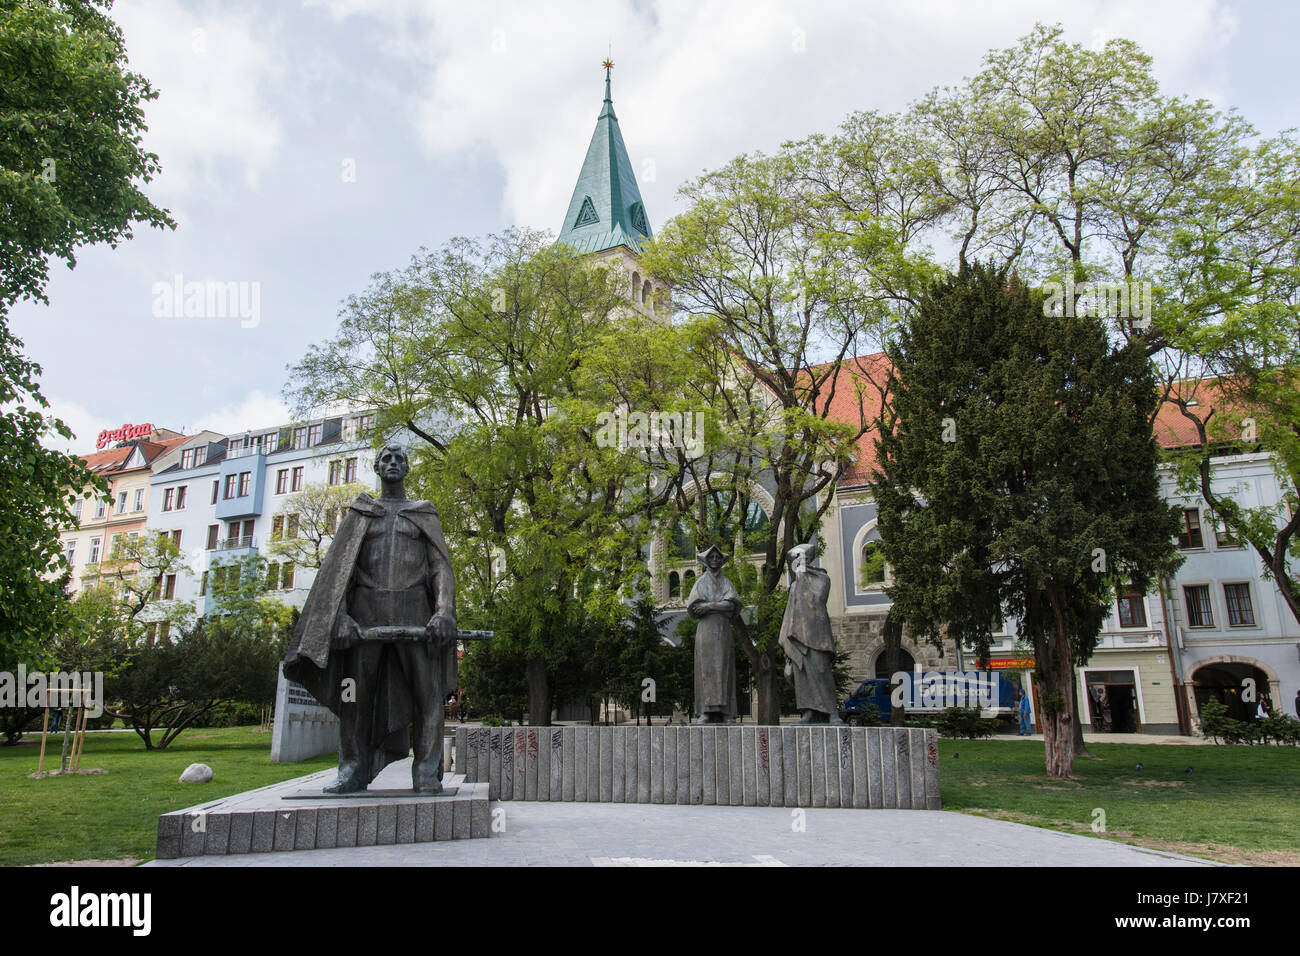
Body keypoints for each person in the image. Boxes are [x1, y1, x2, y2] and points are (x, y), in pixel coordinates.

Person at [284, 443, 457, 793]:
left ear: (407, 468)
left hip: (416, 618)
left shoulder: (422, 512)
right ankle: (352, 769)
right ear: (377, 468)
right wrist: (341, 617)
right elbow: (338, 574)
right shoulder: (361, 513)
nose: (393, 463)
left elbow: (440, 567)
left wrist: (444, 611)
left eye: (400, 459)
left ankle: (426, 773)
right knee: (353, 697)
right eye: (386, 459)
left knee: (429, 695)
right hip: (364, 618)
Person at [778, 543, 842, 724]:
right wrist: (786, 639)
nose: (799, 561)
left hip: (817, 634)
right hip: (798, 635)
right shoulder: (795, 585)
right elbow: (790, 613)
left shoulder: (821, 578)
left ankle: (832, 713)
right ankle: (809, 711)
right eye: (796, 558)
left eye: (802, 557)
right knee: (802, 674)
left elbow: (817, 599)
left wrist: (803, 578)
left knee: (822, 671)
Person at [686, 544, 741, 724]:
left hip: (723, 630)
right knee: (706, 668)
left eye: (718, 557)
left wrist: (709, 606)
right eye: (711, 557)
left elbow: (732, 605)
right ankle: (706, 711)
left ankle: (726, 712)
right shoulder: (700, 583)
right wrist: (719, 605)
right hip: (706, 632)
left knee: (724, 668)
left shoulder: (727, 582)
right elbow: (694, 607)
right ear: (706, 561)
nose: (715, 560)